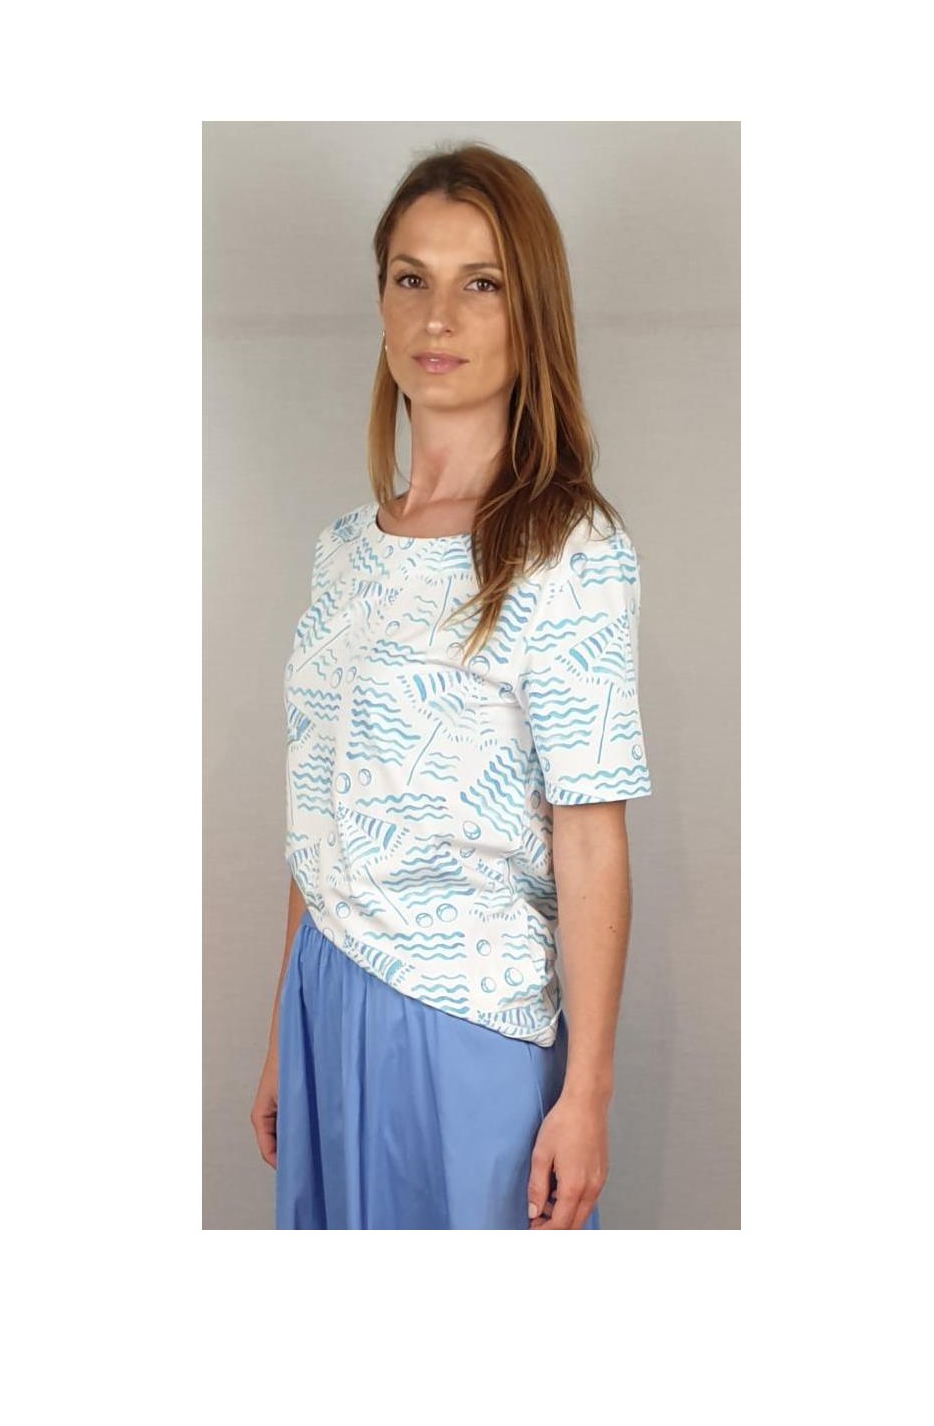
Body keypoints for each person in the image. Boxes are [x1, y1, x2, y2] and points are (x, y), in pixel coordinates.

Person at [249, 142, 653, 1230]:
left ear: (531, 314)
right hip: (325, 991)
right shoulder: (344, 551)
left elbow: (590, 834)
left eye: (482, 284)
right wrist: (284, 1027)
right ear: (381, 303)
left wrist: (587, 1091)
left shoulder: (569, 550)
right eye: (411, 278)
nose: (439, 317)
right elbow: (319, 806)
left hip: (465, 1016)